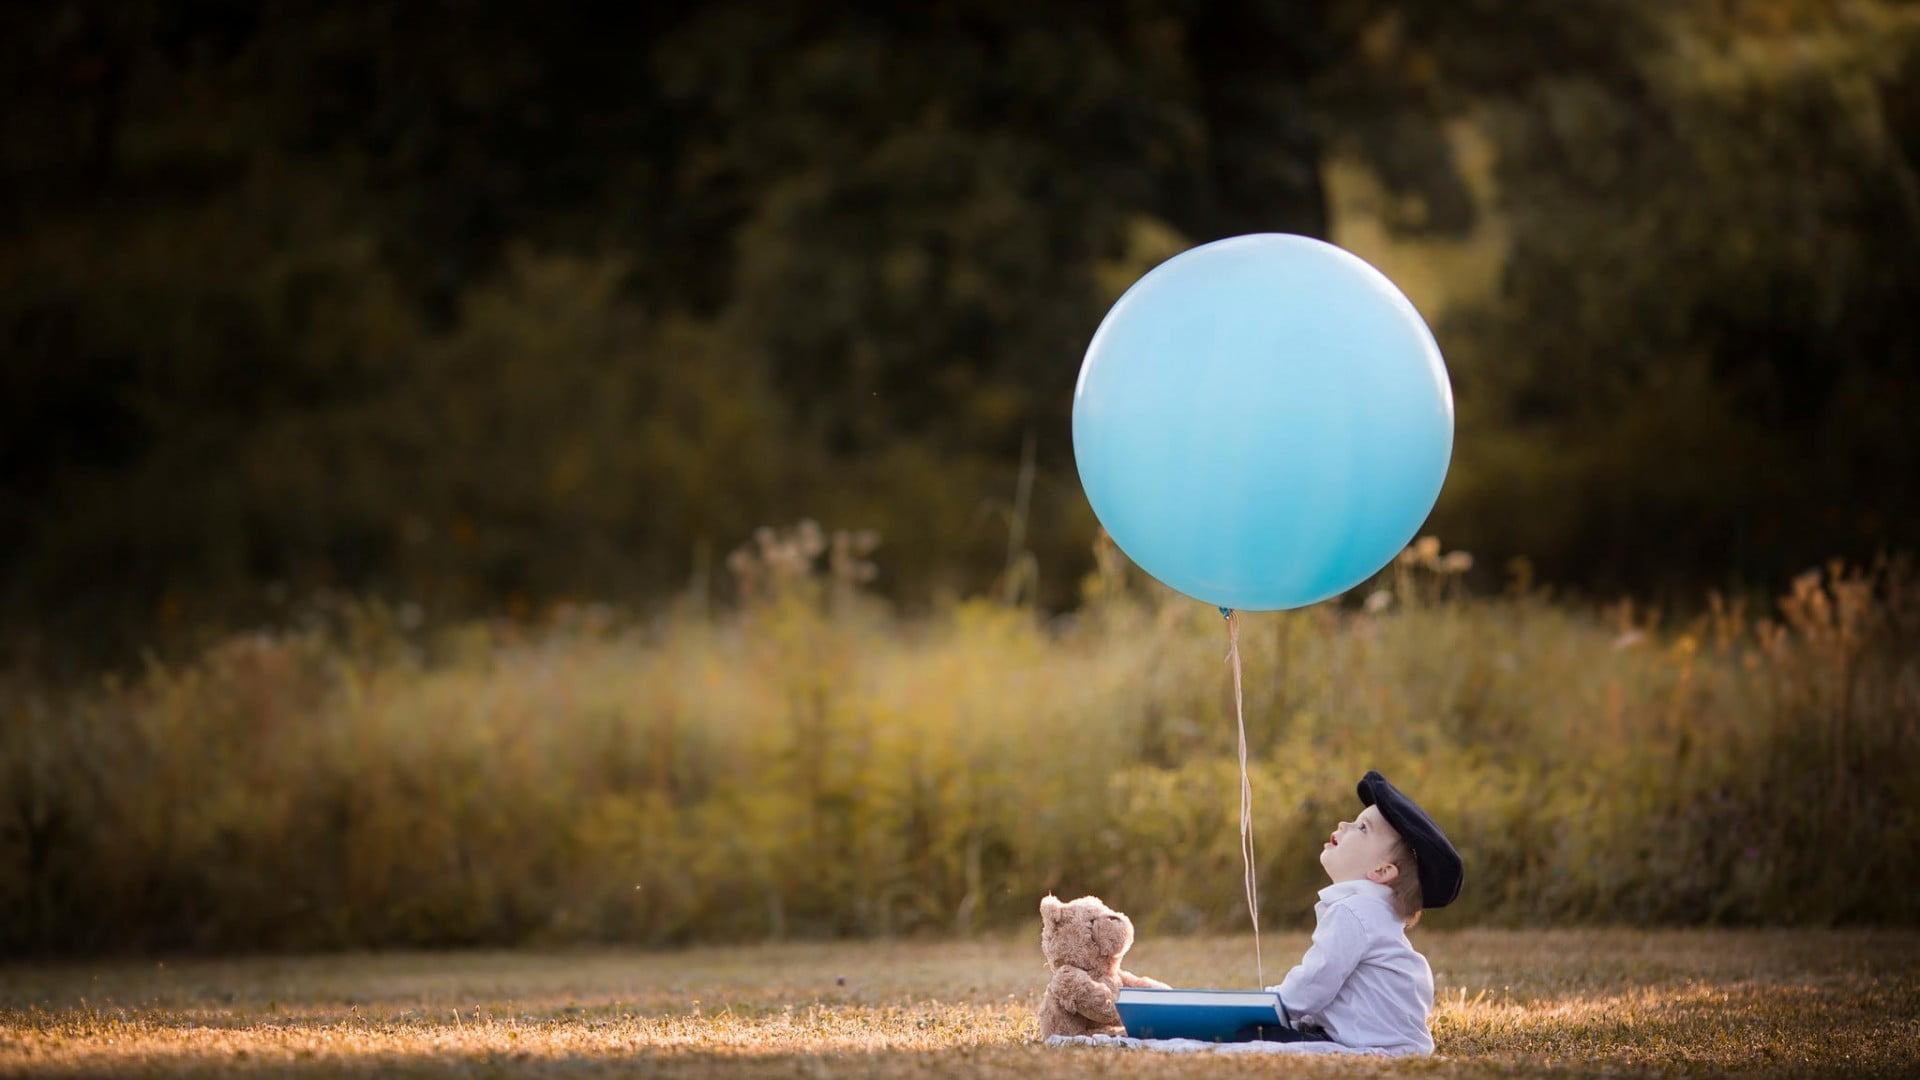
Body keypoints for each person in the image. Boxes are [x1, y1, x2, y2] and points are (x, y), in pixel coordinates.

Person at [1245, 770, 1464, 1055]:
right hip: (1387, 1042)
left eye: (1362, 828)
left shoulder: (1354, 911)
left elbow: (1312, 986)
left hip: (1369, 1045)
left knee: (1247, 1038)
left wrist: (1264, 1006)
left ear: (1382, 871)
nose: (1343, 823)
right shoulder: (1375, 914)